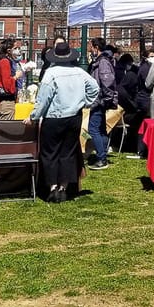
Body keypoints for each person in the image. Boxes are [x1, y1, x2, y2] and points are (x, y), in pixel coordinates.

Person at [25, 40, 98, 203]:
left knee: (50, 153)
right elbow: (95, 88)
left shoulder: (50, 74)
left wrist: (34, 116)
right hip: (74, 117)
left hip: (54, 118)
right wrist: (86, 102)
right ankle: (63, 188)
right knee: (68, 152)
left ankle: (52, 187)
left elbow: (43, 99)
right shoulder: (80, 72)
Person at [87, 38, 119, 169]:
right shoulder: (101, 61)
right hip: (101, 99)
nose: (90, 49)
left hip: (99, 100)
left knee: (93, 129)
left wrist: (106, 98)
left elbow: (107, 82)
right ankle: (103, 154)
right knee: (100, 129)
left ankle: (102, 158)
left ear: (96, 47)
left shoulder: (103, 62)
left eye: (91, 47)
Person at [0, 37, 19, 120]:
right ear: (8, 50)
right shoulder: (5, 62)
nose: (18, 50)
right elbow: (7, 85)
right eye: (15, 48)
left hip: (5, 101)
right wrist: (16, 76)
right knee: (7, 128)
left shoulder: (5, 61)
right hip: (6, 102)